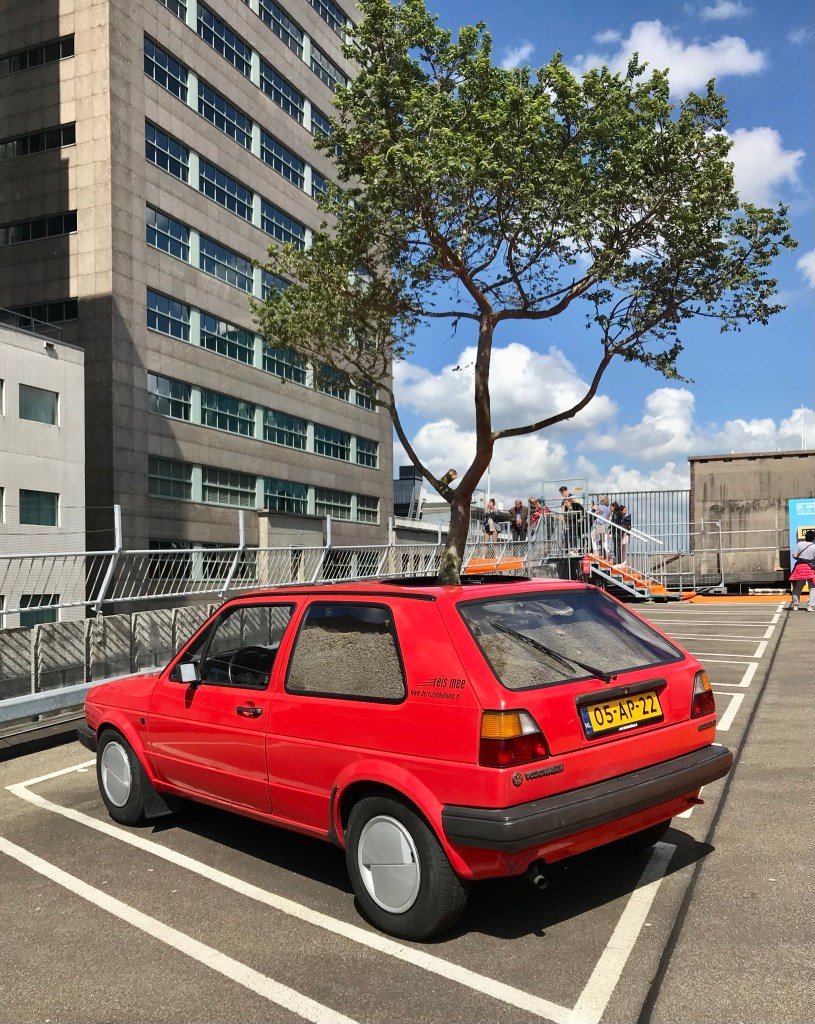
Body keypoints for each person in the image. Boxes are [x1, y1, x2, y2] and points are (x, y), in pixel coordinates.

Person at [789, 529, 815, 612]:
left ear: (805, 537)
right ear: (813, 538)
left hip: (800, 568)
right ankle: (810, 606)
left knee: (797, 588)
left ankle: (795, 606)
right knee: (813, 588)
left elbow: (795, 555)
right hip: (810, 569)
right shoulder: (814, 547)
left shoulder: (799, 544)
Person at [591, 494, 611, 559]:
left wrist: (593, 509)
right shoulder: (608, 509)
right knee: (604, 540)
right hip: (605, 525)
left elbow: (595, 514)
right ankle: (608, 552)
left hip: (599, 524)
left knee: (593, 536)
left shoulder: (600, 507)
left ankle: (595, 551)